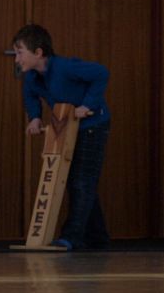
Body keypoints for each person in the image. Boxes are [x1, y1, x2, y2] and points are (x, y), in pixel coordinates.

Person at [12, 24, 111, 250]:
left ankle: (72, 237)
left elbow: (101, 73)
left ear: (38, 52)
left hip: (92, 126)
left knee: (81, 181)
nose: (17, 59)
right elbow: (30, 96)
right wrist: (35, 118)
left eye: (20, 53)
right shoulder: (32, 77)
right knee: (78, 180)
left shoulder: (66, 67)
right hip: (68, 127)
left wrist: (88, 105)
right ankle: (98, 236)